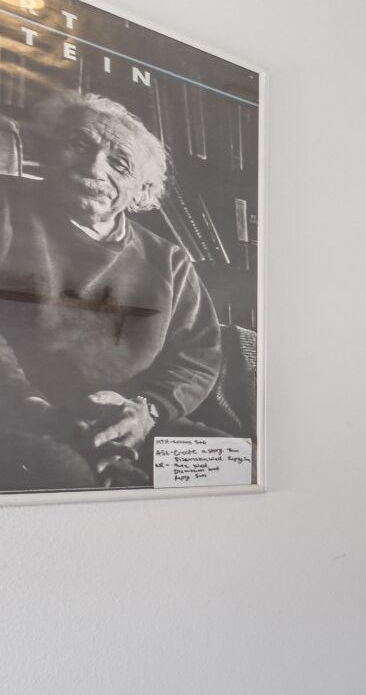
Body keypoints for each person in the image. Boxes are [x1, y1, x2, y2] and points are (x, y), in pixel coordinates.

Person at [0, 91, 222, 490]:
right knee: (70, 478)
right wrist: (32, 406)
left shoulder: (168, 259)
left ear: (141, 192)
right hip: (22, 410)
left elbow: (198, 355)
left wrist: (148, 410)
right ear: (48, 151)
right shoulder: (6, 210)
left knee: (232, 463)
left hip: (133, 418)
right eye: (79, 145)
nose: (94, 167)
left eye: (119, 164)